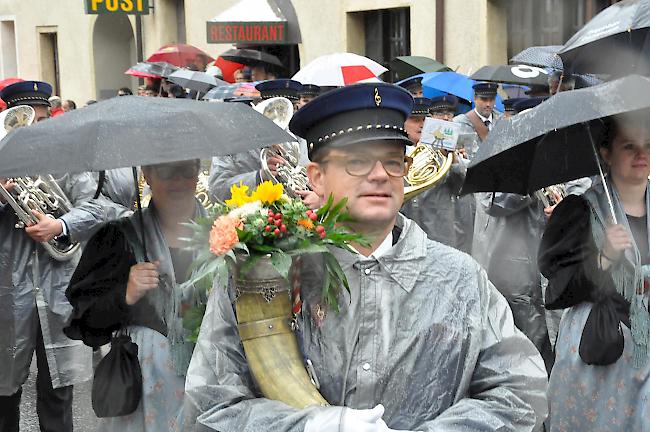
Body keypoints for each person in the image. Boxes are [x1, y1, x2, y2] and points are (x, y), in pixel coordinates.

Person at [186, 82, 548, 431]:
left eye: (393, 161)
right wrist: (310, 425)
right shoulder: (263, 272)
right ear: (317, 177)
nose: (379, 175)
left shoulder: (460, 278)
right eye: (358, 161)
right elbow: (210, 404)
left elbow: (520, 392)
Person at [64, 160, 207, 432]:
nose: (177, 181)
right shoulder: (119, 239)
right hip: (144, 394)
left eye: (186, 170)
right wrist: (125, 294)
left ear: (198, 172)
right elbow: (86, 319)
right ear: (147, 175)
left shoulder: (224, 234)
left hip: (209, 384)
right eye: (166, 171)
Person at [0, 81, 102, 432]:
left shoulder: (67, 158)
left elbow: (99, 206)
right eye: (25, 122)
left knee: (59, 390)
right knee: (3, 388)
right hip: (8, 290)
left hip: (58, 285)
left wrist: (59, 224)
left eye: (42, 120)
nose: (35, 129)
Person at [539, 113, 650, 430]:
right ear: (606, 154)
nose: (641, 155)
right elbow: (559, 287)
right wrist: (604, 257)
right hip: (602, 347)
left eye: (648, 145)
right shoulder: (581, 210)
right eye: (629, 146)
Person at [209, 80, 320, 209]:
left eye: (292, 107)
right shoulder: (230, 141)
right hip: (249, 220)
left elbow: (326, 181)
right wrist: (259, 176)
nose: (285, 116)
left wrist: (318, 196)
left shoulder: (304, 138)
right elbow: (216, 191)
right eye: (275, 110)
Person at [401, 95, 467, 250]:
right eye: (415, 120)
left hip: (439, 235)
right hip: (406, 234)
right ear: (403, 123)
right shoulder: (393, 154)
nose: (422, 125)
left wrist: (454, 161)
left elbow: (461, 188)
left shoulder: (443, 153)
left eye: (426, 120)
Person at [453, 82, 501, 149]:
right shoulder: (459, 123)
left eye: (491, 100)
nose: (488, 104)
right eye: (484, 99)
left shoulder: (503, 120)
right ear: (475, 98)